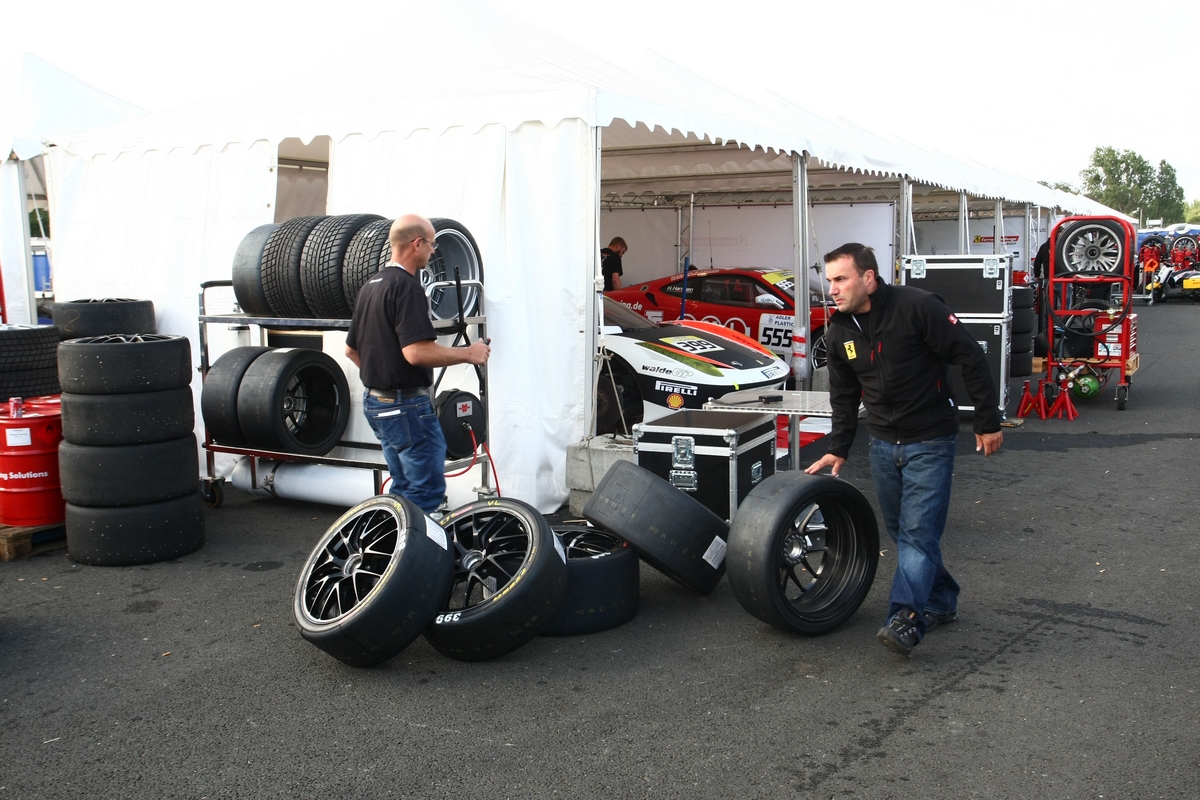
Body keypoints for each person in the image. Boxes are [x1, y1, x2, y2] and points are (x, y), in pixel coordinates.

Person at [805, 243, 1002, 657]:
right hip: (881, 444)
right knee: (906, 533)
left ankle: (906, 618)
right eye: (830, 281)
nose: (832, 289)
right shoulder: (839, 330)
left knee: (917, 534)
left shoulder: (919, 307)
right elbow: (843, 396)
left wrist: (986, 422)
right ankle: (942, 598)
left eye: (841, 279)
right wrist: (839, 447)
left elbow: (971, 357)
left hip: (931, 438)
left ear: (869, 278)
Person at [345, 214, 491, 515]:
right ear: (417, 244)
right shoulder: (407, 288)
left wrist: (381, 377)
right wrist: (469, 353)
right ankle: (418, 557)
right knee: (426, 493)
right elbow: (416, 353)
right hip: (406, 408)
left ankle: (392, 550)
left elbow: (351, 350)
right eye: (433, 243)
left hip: (377, 403)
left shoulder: (370, 286)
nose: (434, 250)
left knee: (403, 490)